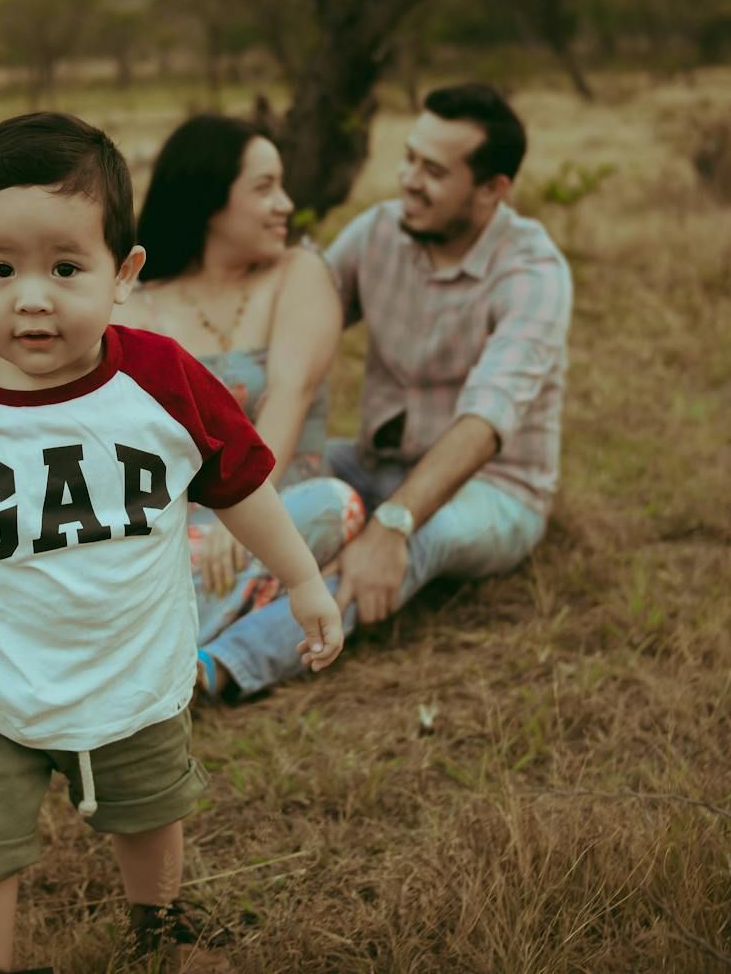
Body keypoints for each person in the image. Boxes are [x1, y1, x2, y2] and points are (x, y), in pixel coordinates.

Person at [0, 112, 344, 974]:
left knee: (150, 811)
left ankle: (159, 924)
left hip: (132, 672)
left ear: (125, 274)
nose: (32, 297)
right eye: (1, 269)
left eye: (67, 268)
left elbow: (241, 487)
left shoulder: (162, 379)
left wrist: (303, 580)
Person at [185, 83, 571, 698]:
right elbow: (302, 317)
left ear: (492, 189)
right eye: (410, 158)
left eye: (434, 172)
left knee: (411, 540)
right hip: (372, 460)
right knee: (273, 477)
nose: (408, 180)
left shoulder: (532, 274)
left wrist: (393, 523)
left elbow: (485, 422)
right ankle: (174, 602)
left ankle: (211, 670)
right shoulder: (379, 233)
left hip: (492, 488)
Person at [113, 114, 366, 701]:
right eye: (264, 187)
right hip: (175, 529)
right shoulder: (135, 306)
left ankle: (133, 655)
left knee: (337, 504)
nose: (285, 204)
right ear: (209, 199)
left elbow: (290, 392)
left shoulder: (299, 274)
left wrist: (244, 509)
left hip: (282, 510)